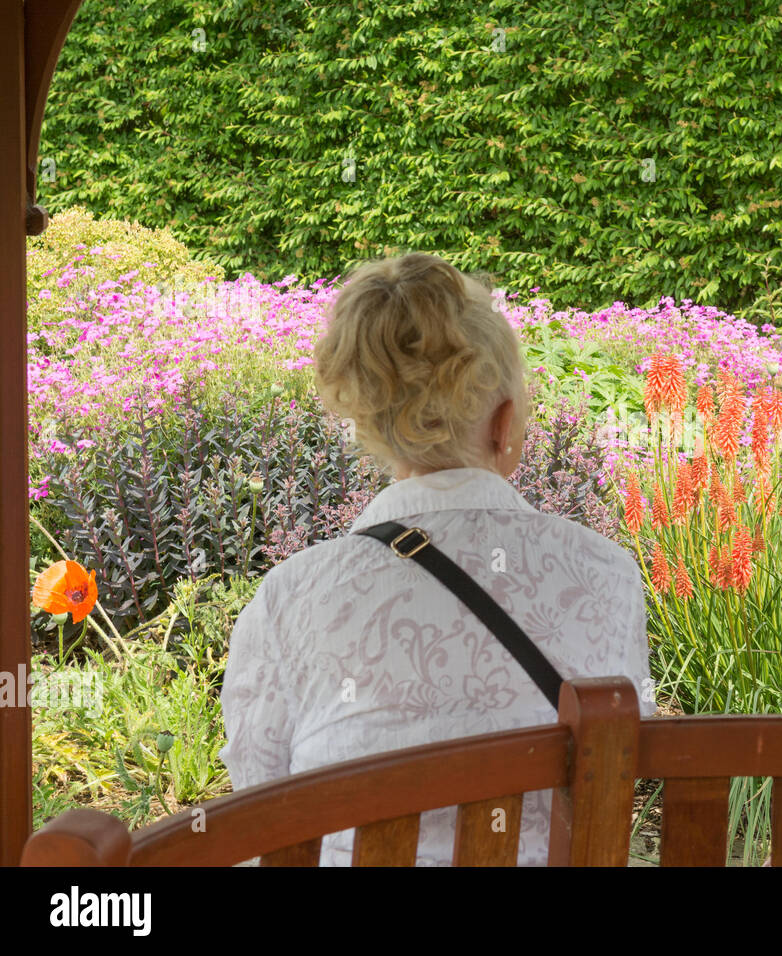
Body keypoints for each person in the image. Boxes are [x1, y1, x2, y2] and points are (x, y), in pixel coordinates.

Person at [219, 252, 653, 865]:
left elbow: (257, 815)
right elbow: (618, 776)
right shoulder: (606, 575)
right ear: (505, 425)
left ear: (372, 431)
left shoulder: (290, 598)